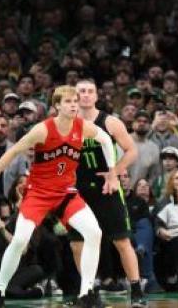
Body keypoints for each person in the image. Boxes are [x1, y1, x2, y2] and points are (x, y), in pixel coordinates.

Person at [0, 85, 117, 308]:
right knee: (20, 240)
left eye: (75, 101)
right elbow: (12, 153)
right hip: (39, 193)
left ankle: (86, 293)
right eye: (68, 101)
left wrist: (112, 172)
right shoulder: (42, 130)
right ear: (57, 106)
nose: (73, 105)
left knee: (94, 232)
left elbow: (107, 140)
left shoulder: (83, 126)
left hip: (66, 193)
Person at [73, 79, 147, 307]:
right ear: (74, 97)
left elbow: (132, 150)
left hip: (106, 188)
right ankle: (89, 291)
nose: (85, 95)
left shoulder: (110, 121)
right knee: (77, 244)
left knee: (121, 241)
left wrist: (115, 173)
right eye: (81, 92)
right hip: (77, 190)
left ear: (96, 96)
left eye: (89, 91)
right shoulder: (65, 123)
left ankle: (136, 291)